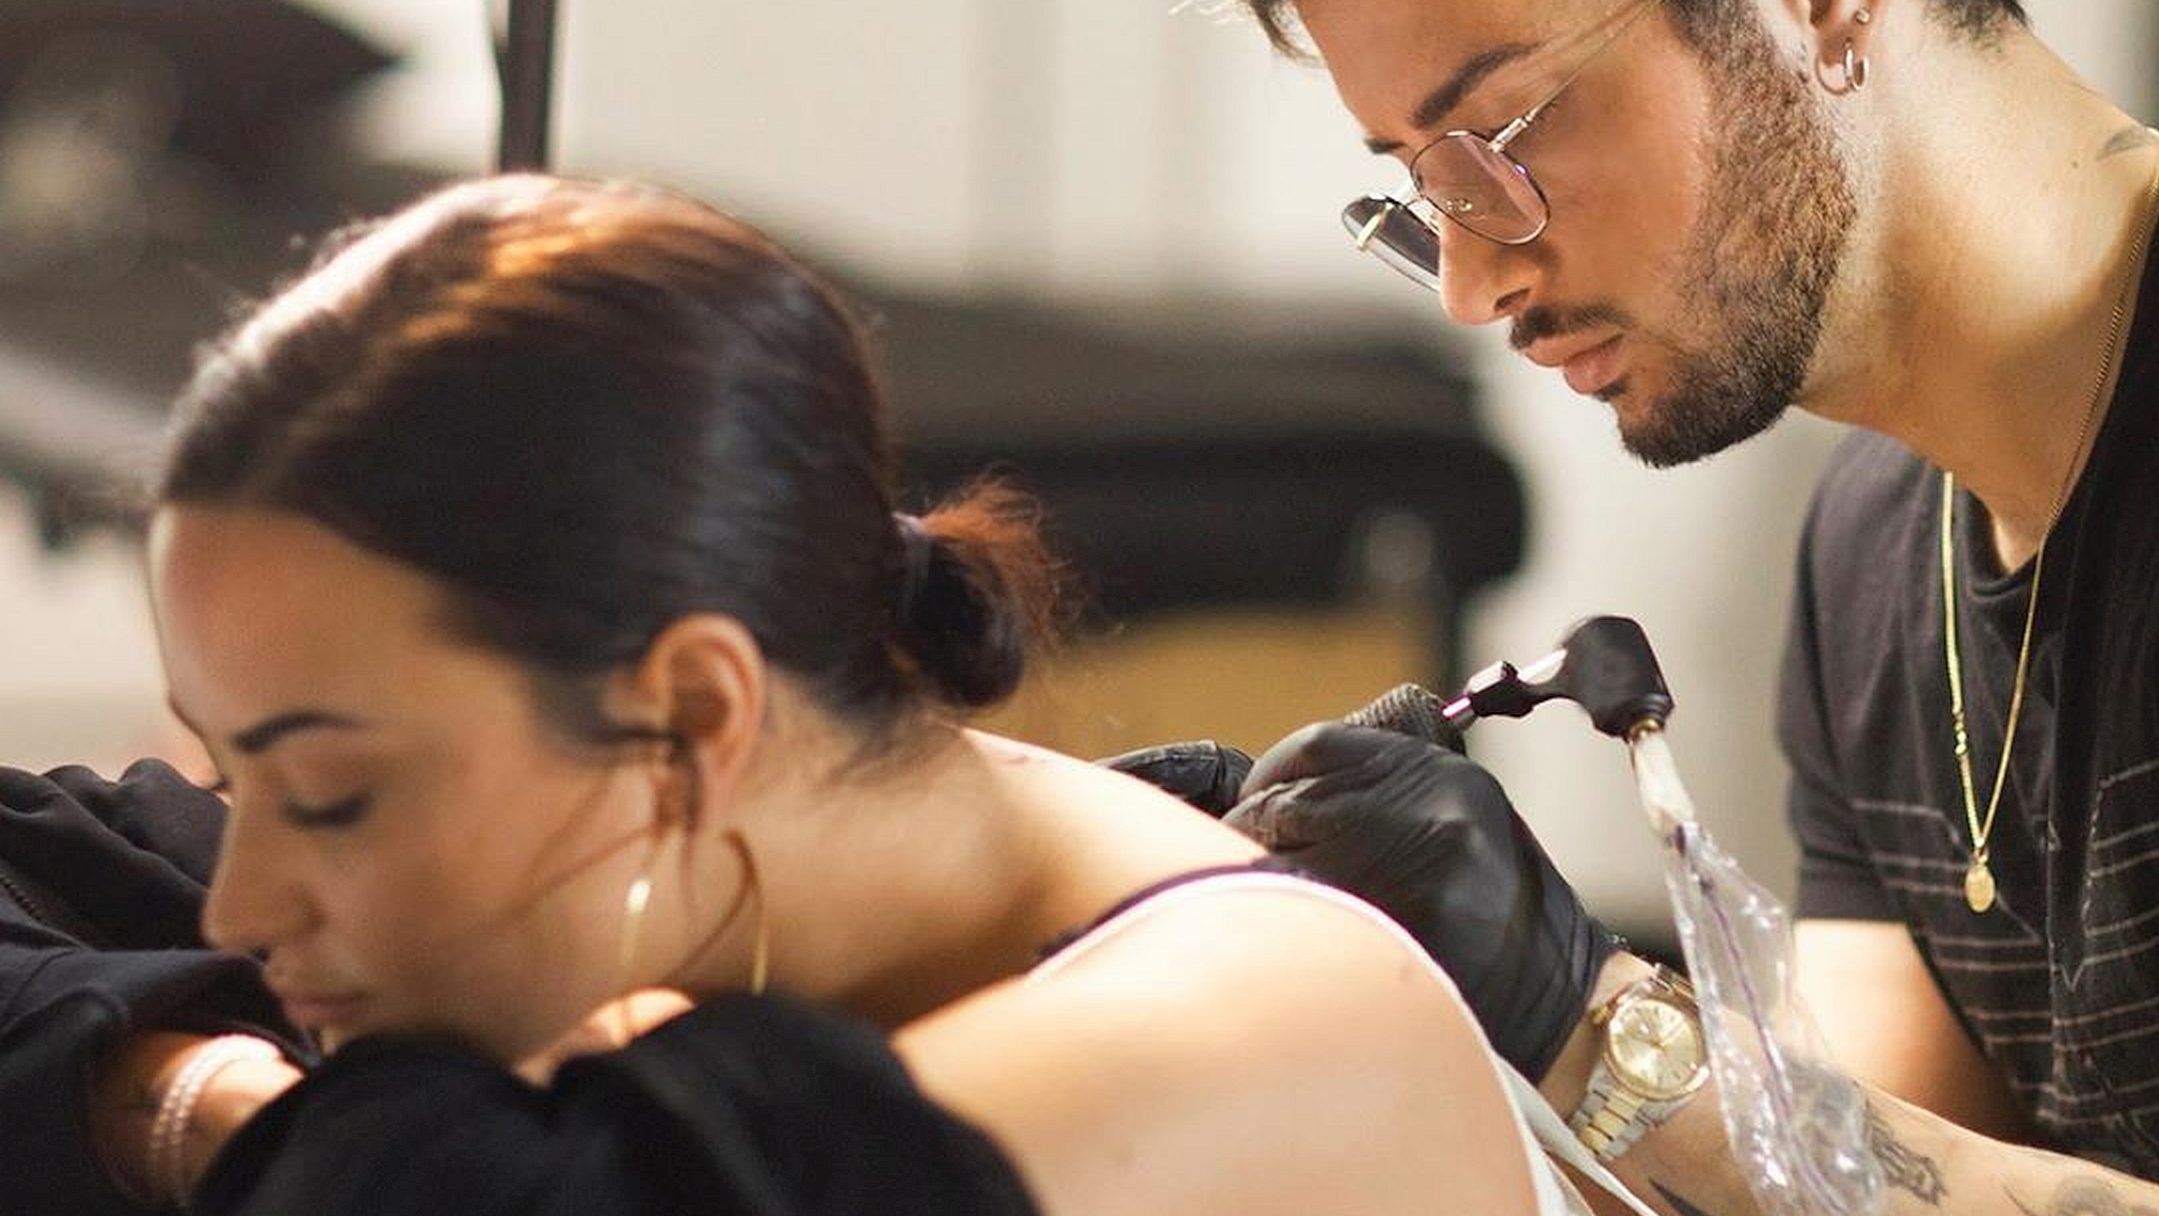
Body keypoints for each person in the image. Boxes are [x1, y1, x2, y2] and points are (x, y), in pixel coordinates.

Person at [39, 172, 1623, 1215]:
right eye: (234, 780)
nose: (241, 903)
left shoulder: (1259, 1017)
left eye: (329, 797)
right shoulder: (698, 876)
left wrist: (168, 1093)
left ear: (691, 718)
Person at [1201, 0, 2159, 1211]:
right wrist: (1404, 982)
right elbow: (1839, 1189)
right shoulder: (1870, 552)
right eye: (1427, 186)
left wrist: (1597, 1031)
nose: (1469, 287)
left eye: (1501, 133)